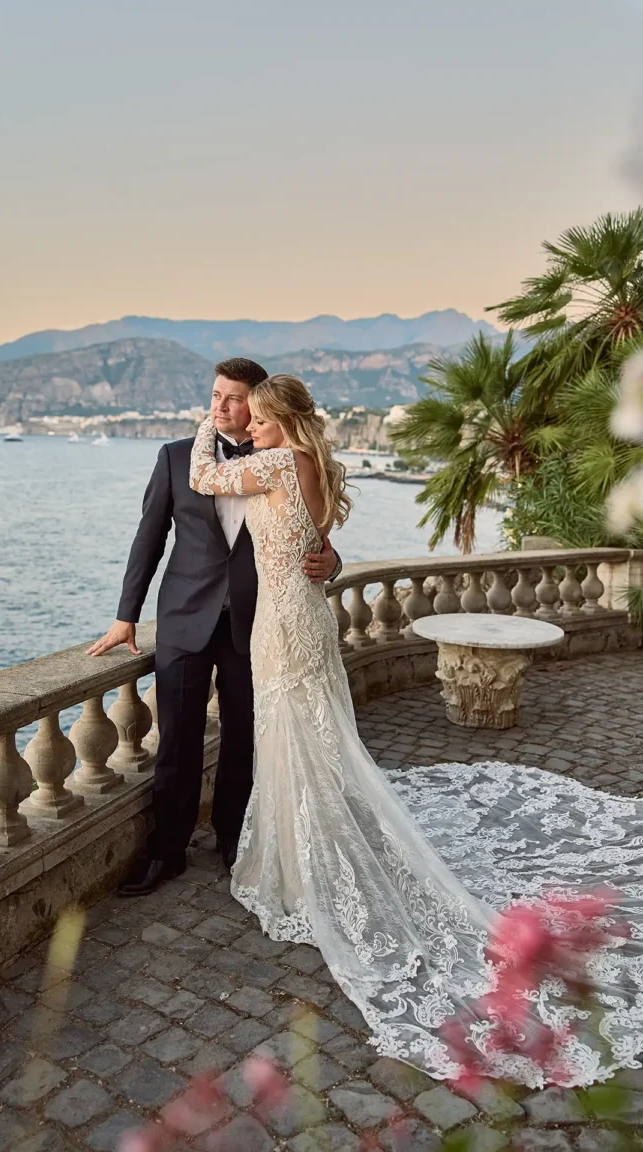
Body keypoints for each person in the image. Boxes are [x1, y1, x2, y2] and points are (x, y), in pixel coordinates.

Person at [187, 372, 643, 1089]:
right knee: (311, 734)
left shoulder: (275, 460)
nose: (255, 429)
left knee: (294, 734)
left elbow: (210, 475)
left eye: (264, 421)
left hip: (282, 624)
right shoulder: (319, 468)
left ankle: (302, 863)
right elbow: (317, 543)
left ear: (281, 422)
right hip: (304, 616)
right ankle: (302, 844)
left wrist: (204, 424)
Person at [87, 358, 341, 895]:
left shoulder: (280, 460)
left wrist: (332, 562)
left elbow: (309, 535)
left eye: (232, 398)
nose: (220, 406)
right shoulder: (175, 457)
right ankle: (166, 851)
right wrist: (125, 615)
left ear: (259, 405)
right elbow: (148, 538)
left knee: (246, 737)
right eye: (214, 395)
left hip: (258, 622)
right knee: (175, 739)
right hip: (184, 618)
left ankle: (236, 841)